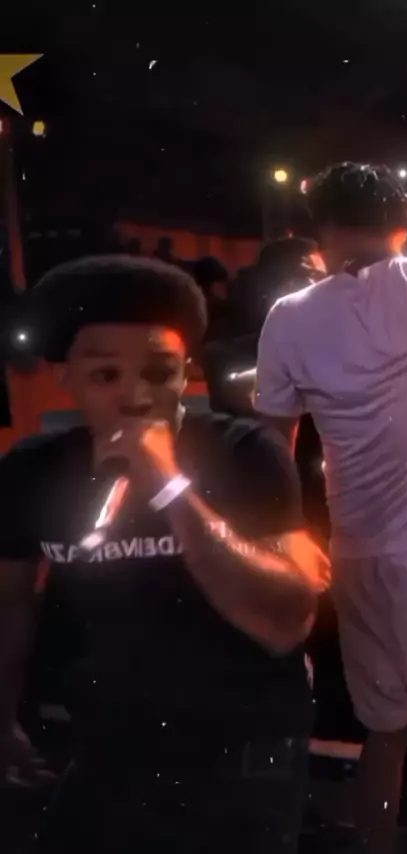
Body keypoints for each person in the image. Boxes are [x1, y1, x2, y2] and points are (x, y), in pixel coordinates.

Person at [0, 255, 329, 853]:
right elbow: (11, 604)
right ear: (65, 375)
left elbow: (286, 619)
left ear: (185, 373)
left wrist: (169, 485)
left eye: (159, 373)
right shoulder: (34, 471)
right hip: (107, 742)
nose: (136, 396)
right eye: (106, 375)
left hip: (243, 745)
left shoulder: (243, 451)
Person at [253, 161, 407, 852]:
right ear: (405, 221)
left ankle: (374, 845)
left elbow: (272, 443)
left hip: (354, 561)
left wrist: (286, 533)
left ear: (318, 232)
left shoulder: (288, 317)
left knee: (385, 733)